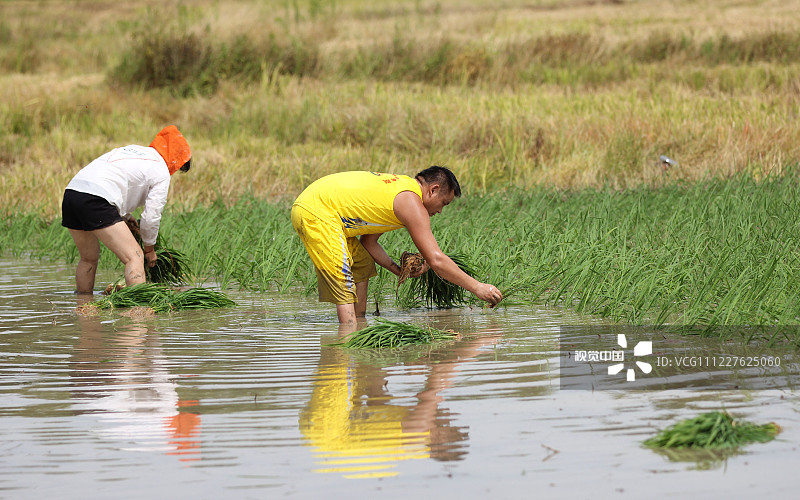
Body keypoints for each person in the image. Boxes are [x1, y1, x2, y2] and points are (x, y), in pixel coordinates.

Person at [291, 167, 502, 324]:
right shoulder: (411, 202)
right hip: (316, 211)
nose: (440, 211)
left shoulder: (400, 192)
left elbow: (369, 242)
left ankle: (360, 325)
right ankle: (347, 336)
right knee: (343, 275)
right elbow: (436, 259)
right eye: (444, 203)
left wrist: (399, 271)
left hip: (323, 209)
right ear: (433, 190)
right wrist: (478, 287)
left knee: (362, 262)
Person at [61, 125, 192, 295]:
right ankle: (138, 312)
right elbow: (151, 217)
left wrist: (125, 216)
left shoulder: (132, 151)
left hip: (72, 194)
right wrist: (149, 249)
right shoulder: (161, 170)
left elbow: (114, 180)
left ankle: (84, 305)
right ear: (176, 160)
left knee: (88, 258)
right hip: (96, 199)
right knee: (134, 257)